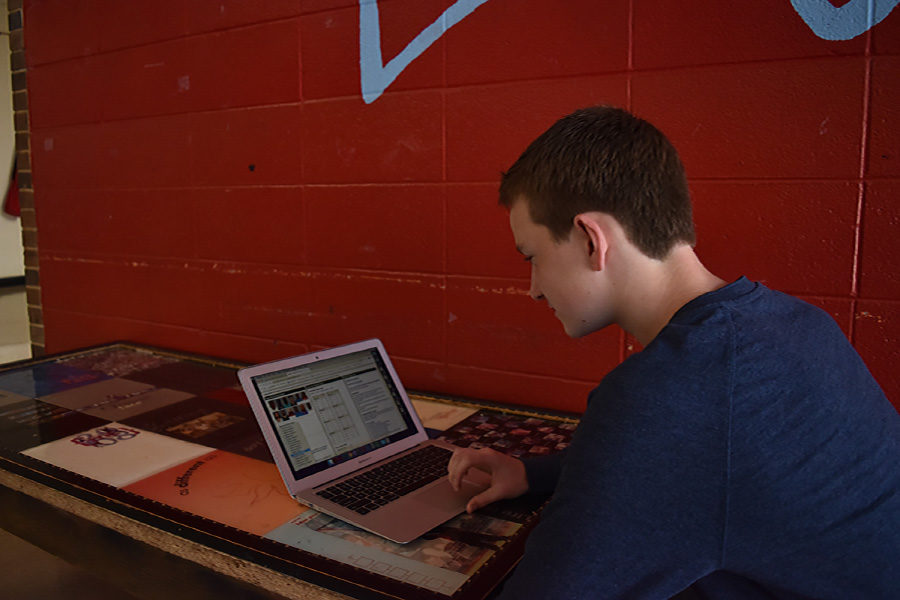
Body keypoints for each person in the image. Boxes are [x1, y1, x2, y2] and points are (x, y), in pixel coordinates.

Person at [447, 106, 900, 599]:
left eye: (531, 256)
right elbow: (705, 463)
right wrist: (532, 472)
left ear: (591, 238)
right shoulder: (797, 324)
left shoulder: (668, 393)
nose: (533, 288)